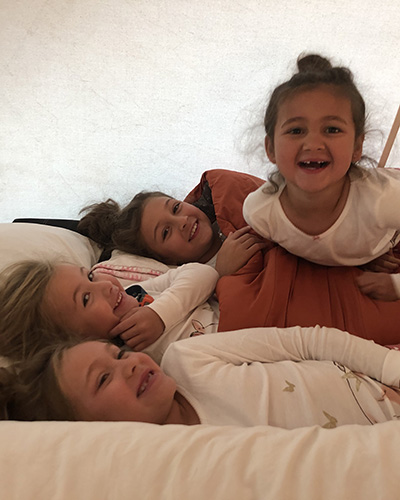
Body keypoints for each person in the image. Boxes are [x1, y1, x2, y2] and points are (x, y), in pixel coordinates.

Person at [1, 325, 400, 429]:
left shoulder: (187, 358)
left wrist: (390, 370)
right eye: (103, 380)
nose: (131, 365)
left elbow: (305, 340)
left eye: (119, 354)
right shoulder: (189, 462)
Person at [242, 53, 400, 302]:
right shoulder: (260, 213)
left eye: (332, 129)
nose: (313, 143)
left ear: (357, 147)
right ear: (271, 148)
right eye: (296, 130)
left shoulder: (384, 201)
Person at [0, 259, 222, 363]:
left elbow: (202, 273)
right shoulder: (126, 360)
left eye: (90, 276)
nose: (104, 286)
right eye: (86, 298)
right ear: (73, 342)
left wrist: (160, 314)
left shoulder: (134, 293)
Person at [78, 192, 268, 276]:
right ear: (165, 259)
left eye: (176, 208)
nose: (182, 221)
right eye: (166, 232)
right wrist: (222, 275)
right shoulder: (199, 280)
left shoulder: (230, 213)